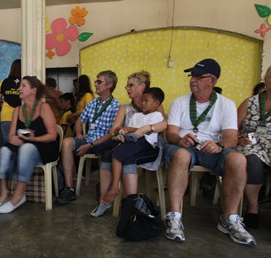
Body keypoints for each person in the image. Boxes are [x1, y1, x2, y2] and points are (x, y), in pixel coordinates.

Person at [163, 58, 256, 246]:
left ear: (212, 81)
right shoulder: (180, 102)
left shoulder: (226, 104)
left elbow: (231, 137)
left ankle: (229, 219)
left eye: (198, 76)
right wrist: (181, 139)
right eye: (192, 76)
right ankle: (174, 217)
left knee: (238, 159)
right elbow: (170, 134)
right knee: (182, 154)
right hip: (184, 147)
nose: (192, 80)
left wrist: (220, 146)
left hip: (213, 149)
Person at [0, 76, 59, 214]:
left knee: (26, 148)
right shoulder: (18, 110)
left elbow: (53, 135)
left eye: (23, 86)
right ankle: (4, 194)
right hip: (25, 147)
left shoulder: (44, 107)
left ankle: (19, 196)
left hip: (45, 148)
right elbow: (11, 135)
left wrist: (34, 138)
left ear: (33, 90)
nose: (19, 88)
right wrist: (12, 138)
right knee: (4, 150)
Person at [91, 87, 166, 217]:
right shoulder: (136, 115)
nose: (142, 103)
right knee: (106, 152)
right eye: (142, 100)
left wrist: (130, 129)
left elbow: (144, 132)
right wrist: (124, 131)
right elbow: (127, 130)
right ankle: (104, 200)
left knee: (118, 154)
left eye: (146, 101)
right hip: (132, 142)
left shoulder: (157, 116)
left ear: (156, 104)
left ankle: (115, 188)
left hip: (146, 145)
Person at [55, 70, 120, 205]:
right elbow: (79, 121)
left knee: (105, 149)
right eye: (96, 81)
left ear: (109, 85)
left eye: (99, 82)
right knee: (67, 142)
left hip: (104, 142)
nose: (95, 84)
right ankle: (69, 188)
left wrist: (91, 145)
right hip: (88, 139)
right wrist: (79, 133)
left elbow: (112, 134)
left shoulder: (116, 107)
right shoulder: (92, 103)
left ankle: (102, 185)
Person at [237, 66, 271, 229]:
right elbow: (232, 127)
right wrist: (238, 138)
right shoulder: (250, 102)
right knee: (253, 161)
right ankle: (253, 207)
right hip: (250, 144)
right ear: (265, 79)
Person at [0, 59, 21, 144]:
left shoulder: (4, 82)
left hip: (6, 116)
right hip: (21, 116)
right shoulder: (25, 83)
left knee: (8, 145)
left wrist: (1, 109)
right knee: (21, 144)